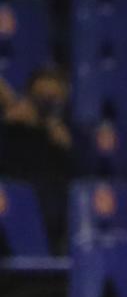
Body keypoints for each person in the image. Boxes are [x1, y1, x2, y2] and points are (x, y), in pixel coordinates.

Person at [0, 65, 75, 223]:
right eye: (40, 97)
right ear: (28, 97)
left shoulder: (73, 136)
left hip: (54, 213)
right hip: (13, 210)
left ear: (64, 97)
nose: (46, 104)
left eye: (53, 98)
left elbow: (82, 184)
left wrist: (65, 145)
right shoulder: (13, 130)